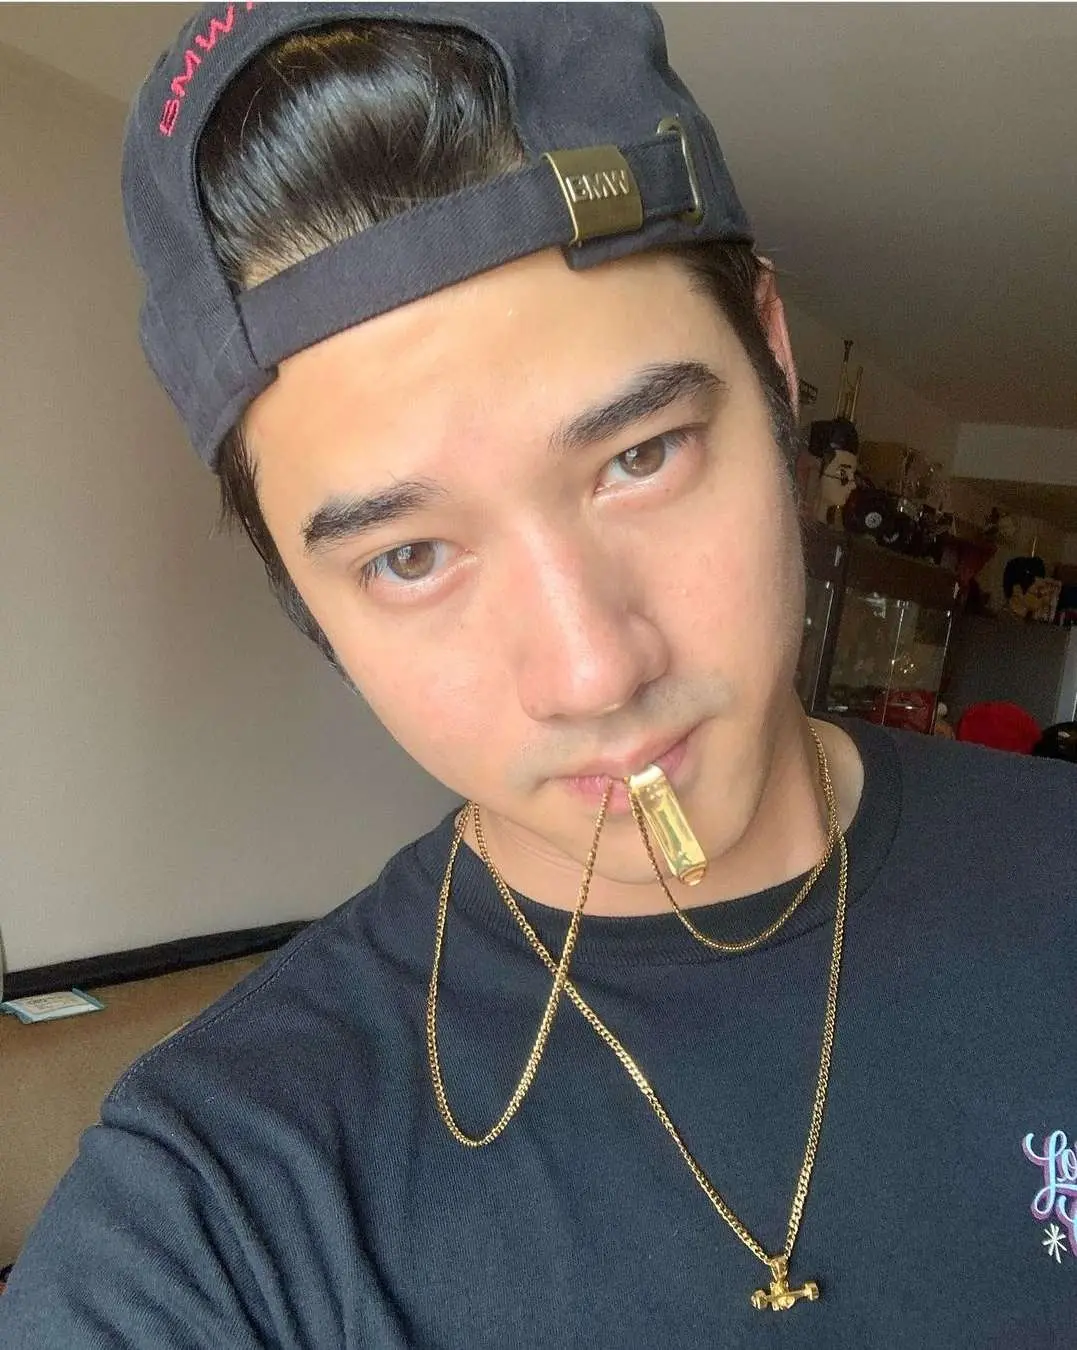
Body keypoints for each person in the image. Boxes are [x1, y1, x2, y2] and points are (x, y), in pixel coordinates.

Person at [2, 4, 1074, 1346]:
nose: (592, 670)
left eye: (641, 456)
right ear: (303, 597)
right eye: (409, 556)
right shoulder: (214, 1206)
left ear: (774, 359)